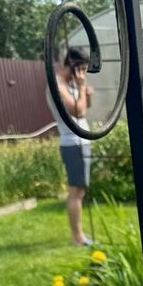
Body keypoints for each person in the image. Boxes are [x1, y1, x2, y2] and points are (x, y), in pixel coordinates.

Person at [47, 47, 95, 246]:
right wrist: (82, 88)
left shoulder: (70, 83)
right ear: (72, 64)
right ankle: (78, 238)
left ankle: (79, 235)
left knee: (79, 191)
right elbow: (79, 112)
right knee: (76, 192)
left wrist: (86, 93)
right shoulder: (58, 85)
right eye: (82, 68)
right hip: (73, 142)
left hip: (80, 141)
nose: (83, 74)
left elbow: (85, 106)